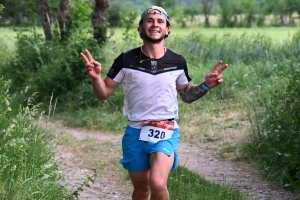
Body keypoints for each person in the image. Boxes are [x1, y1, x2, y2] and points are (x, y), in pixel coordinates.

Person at [80, 5, 228, 200]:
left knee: (157, 183)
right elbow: (104, 93)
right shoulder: (125, 60)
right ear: (140, 28)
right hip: (135, 132)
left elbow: (187, 95)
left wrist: (206, 85)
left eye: (160, 21)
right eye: (149, 21)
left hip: (166, 130)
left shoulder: (177, 61)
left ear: (167, 29)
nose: (155, 24)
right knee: (142, 189)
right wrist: (96, 78)